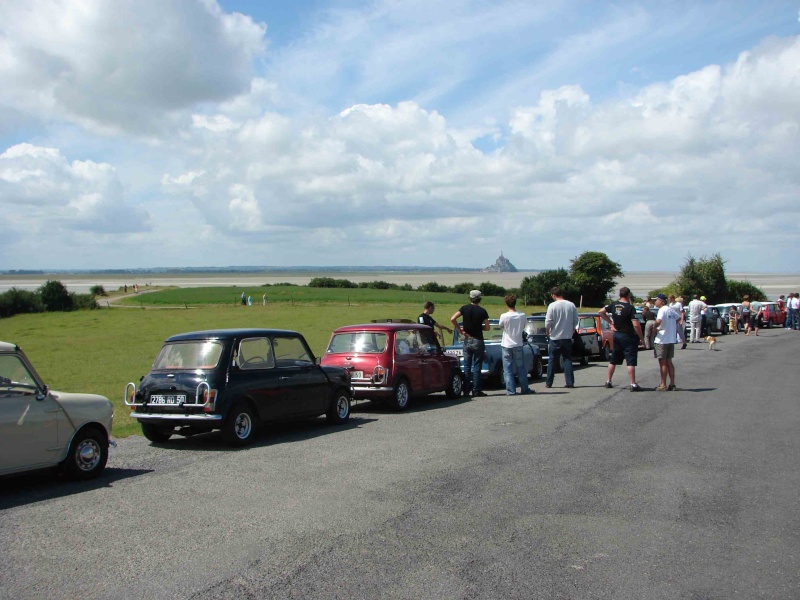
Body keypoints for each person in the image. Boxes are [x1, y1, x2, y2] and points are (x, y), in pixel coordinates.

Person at [599, 287, 645, 391]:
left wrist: (611, 323)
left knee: (613, 359)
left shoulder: (614, 305)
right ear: (628, 295)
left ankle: (608, 380)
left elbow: (601, 312)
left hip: (617, 334)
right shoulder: (630, 307)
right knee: (630, 360)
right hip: (628, 335)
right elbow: (636, 325)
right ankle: (633, 383)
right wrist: (641, 338)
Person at [450, 290, 490, 397]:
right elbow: (487, 327)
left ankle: (466, 390)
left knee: (467, 366)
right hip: (478, 340)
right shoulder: (482, 311)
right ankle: (476, 390)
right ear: (479, 299)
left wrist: (460, 330)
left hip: (467, 339)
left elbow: (452, 318)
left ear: (470, 298)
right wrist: (480, 326)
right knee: (477, 366)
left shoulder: (464, 308)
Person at [544, 286, 579, 389]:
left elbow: (548, 321)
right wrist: (573, 328)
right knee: (567, 359)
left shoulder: (552, 306)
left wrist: (547, 331)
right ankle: (569, 382)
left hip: (555, 337)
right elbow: (576, 320)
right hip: (567, 336)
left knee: (552, 360)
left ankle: (549, 382)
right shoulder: (571, 305)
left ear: (554, 295)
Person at [498, 294, 533, 396]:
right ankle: (524, 388)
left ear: (506, 304)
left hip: (506, 344)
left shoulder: (504, 316)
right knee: (521, 367)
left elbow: (501, 326)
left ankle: (511, 390)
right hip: (518, 343)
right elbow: (524, 325)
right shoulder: (521, 315)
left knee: (507, 368)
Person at [653, 293, 679, 391]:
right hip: (670, 339)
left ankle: (663, 384)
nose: (656, 301)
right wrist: (670, 326)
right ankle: (672, 383)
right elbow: (678, 318)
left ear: (662, 301)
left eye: (657, 300)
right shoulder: (670, 310)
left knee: (662, 362)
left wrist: (655, 327)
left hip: (662, 339)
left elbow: (659, 320)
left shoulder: (662, 310)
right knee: (669, 362)